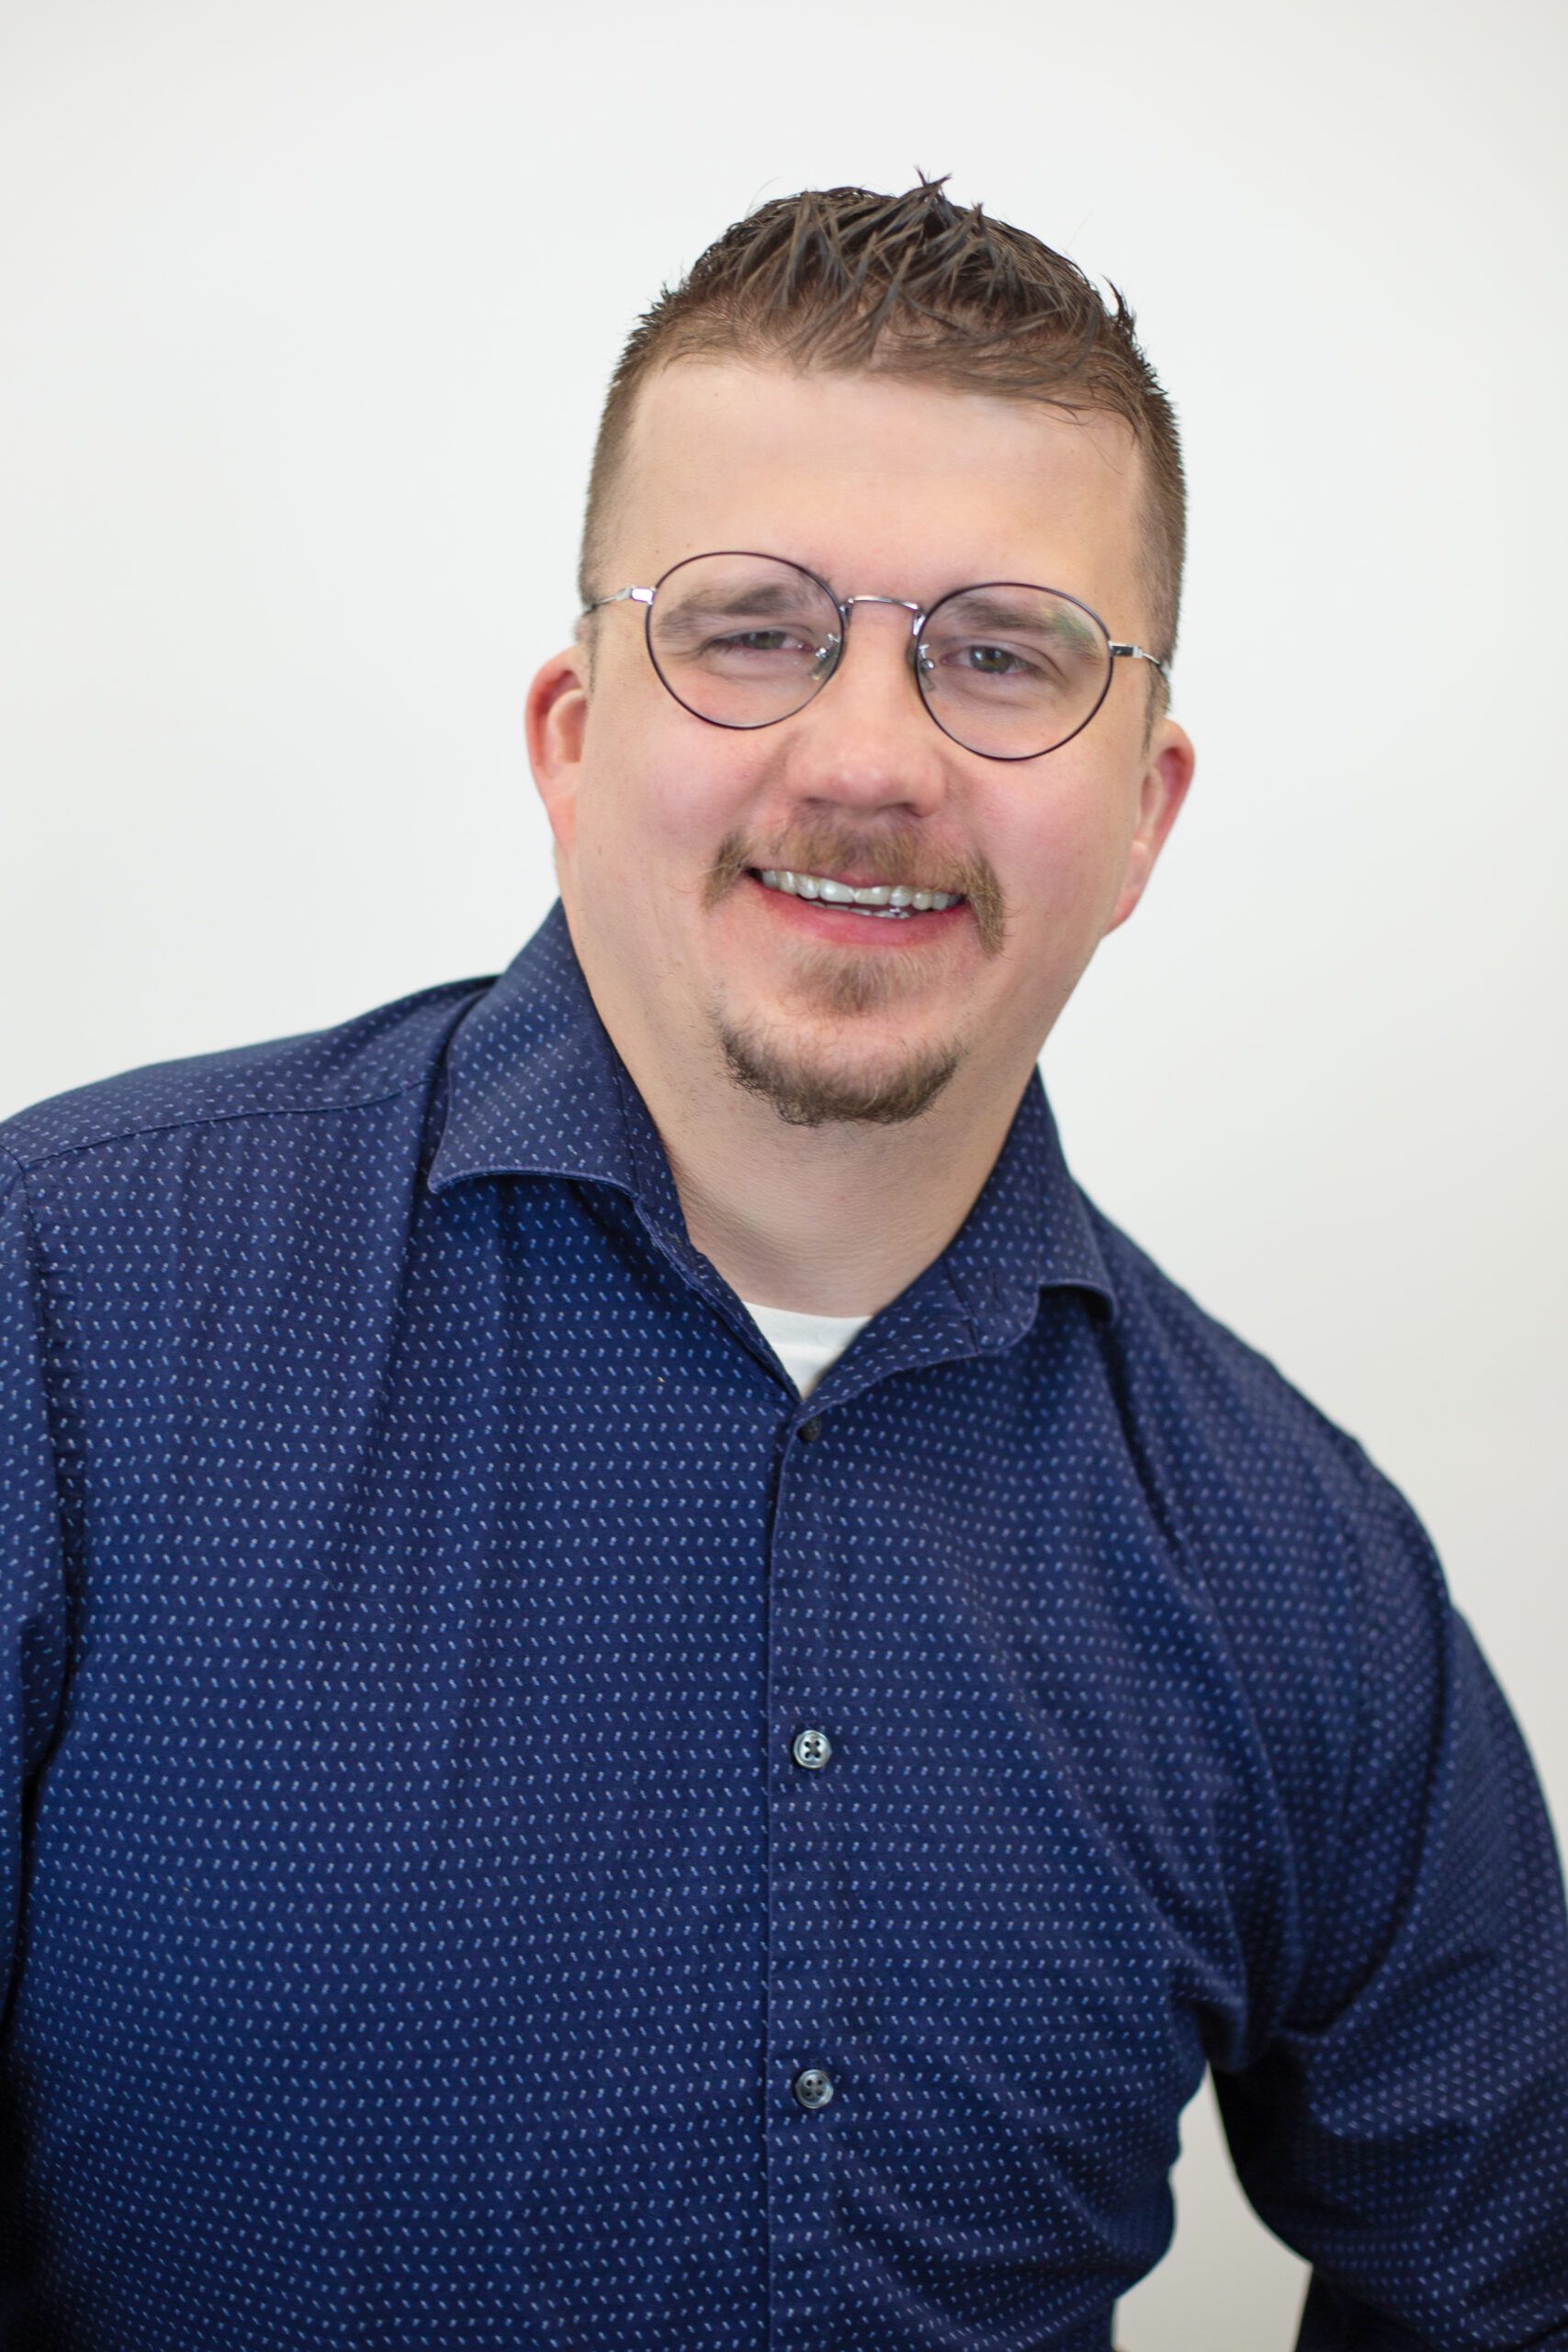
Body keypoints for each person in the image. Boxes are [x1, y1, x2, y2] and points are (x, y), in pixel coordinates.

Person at [0, 178, 1562, 2352]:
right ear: (570, 733)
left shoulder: (1303, 1577)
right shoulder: (61, 1316)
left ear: (1142, 813)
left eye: (1001, 654)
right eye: (750, 628)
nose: (864, 755)